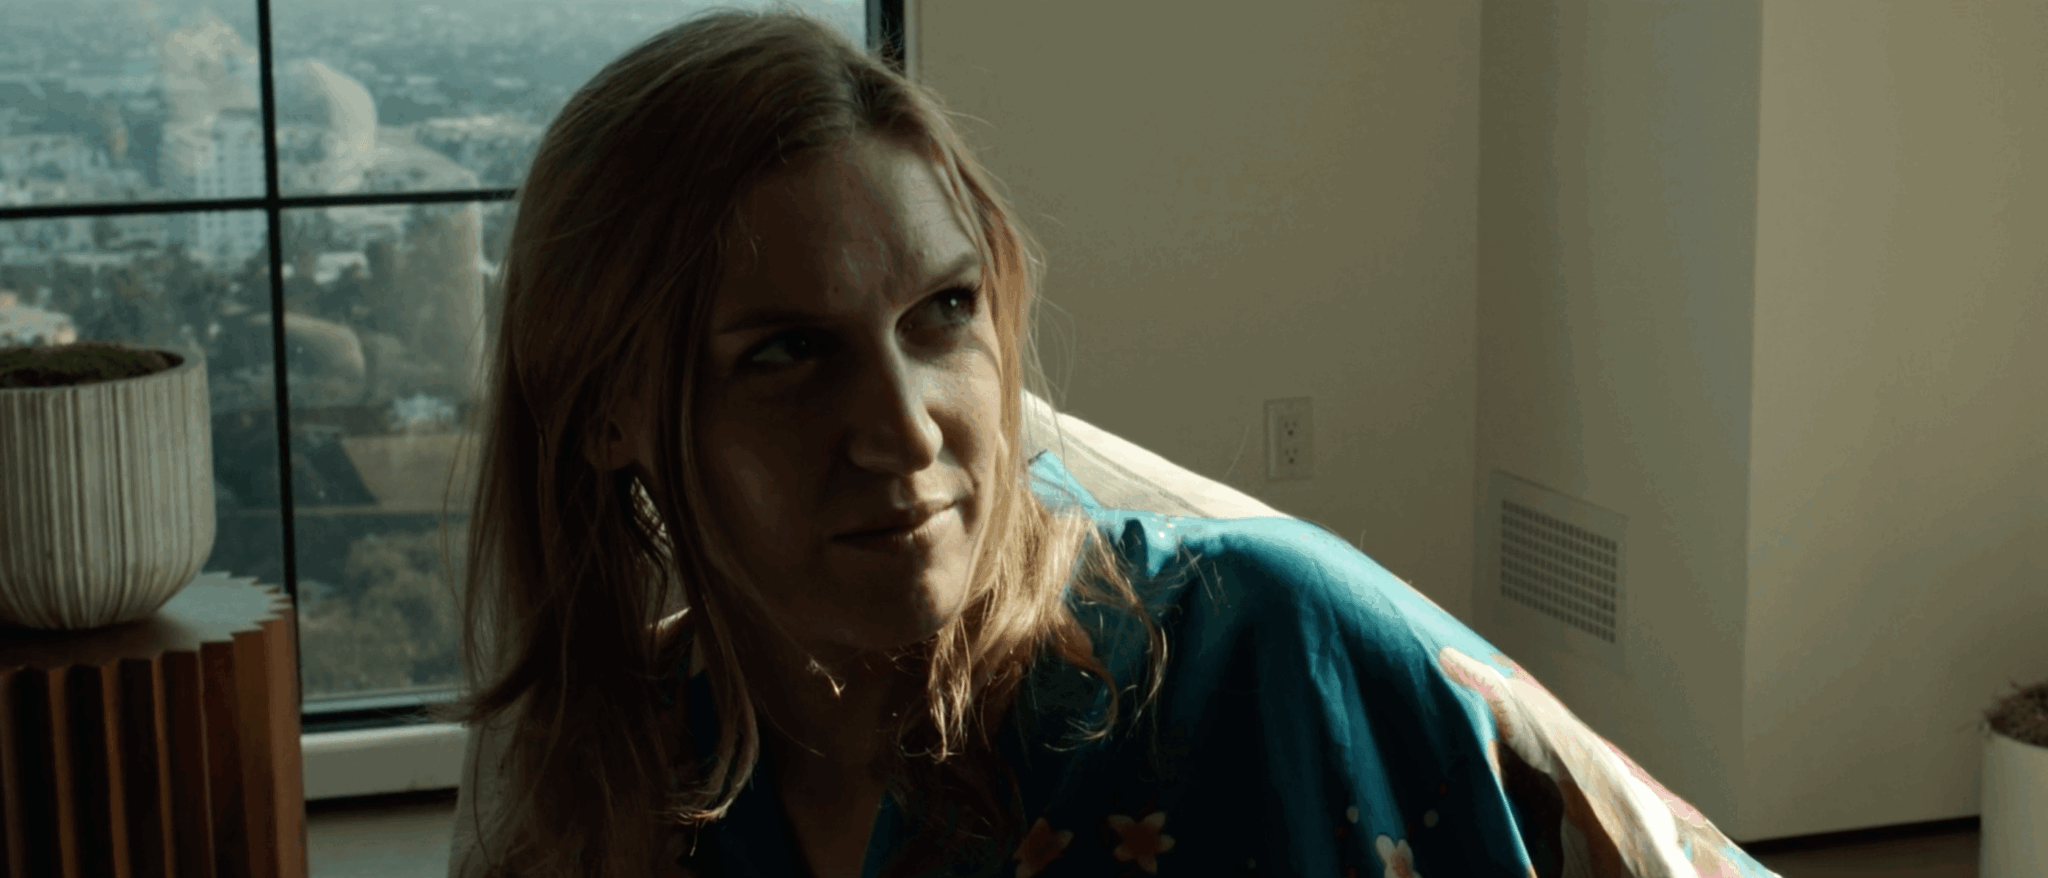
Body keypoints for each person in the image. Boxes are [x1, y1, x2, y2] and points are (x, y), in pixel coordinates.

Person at [437, 8, 1783, 878]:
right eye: (787, 352)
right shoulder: (617, 773)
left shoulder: (1264, 650)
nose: (902, 429)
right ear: (608, 407)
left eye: (942, 311)